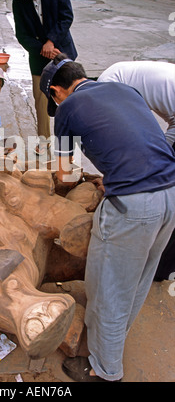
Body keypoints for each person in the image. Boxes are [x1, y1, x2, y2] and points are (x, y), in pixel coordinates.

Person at [40, 53, 175, 382]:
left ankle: (104, 370)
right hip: (170, 193)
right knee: (138, 280)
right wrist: (111, 174)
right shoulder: (124, 89)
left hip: (133, 206)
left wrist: (51, 179)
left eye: (54, 100)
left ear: (58, 91)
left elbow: (66, 175)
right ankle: (111, 343)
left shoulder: (68, 108)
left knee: (109, 288)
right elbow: (135, 142)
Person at [98, 60, 175, 281]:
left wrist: (115, 177)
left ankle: (161, 269)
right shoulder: (118, 76)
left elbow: (127, 136)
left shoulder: (107, 85)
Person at [7, 0, 77, 155]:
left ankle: (69, 140)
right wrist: (42, 48)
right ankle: (44, 140)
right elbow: (22, 35)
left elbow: (66, 17)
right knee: (41, 100)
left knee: (71, 97)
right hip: (38, 58)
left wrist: (51, 42)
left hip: (63, 52)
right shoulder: (18, 3)